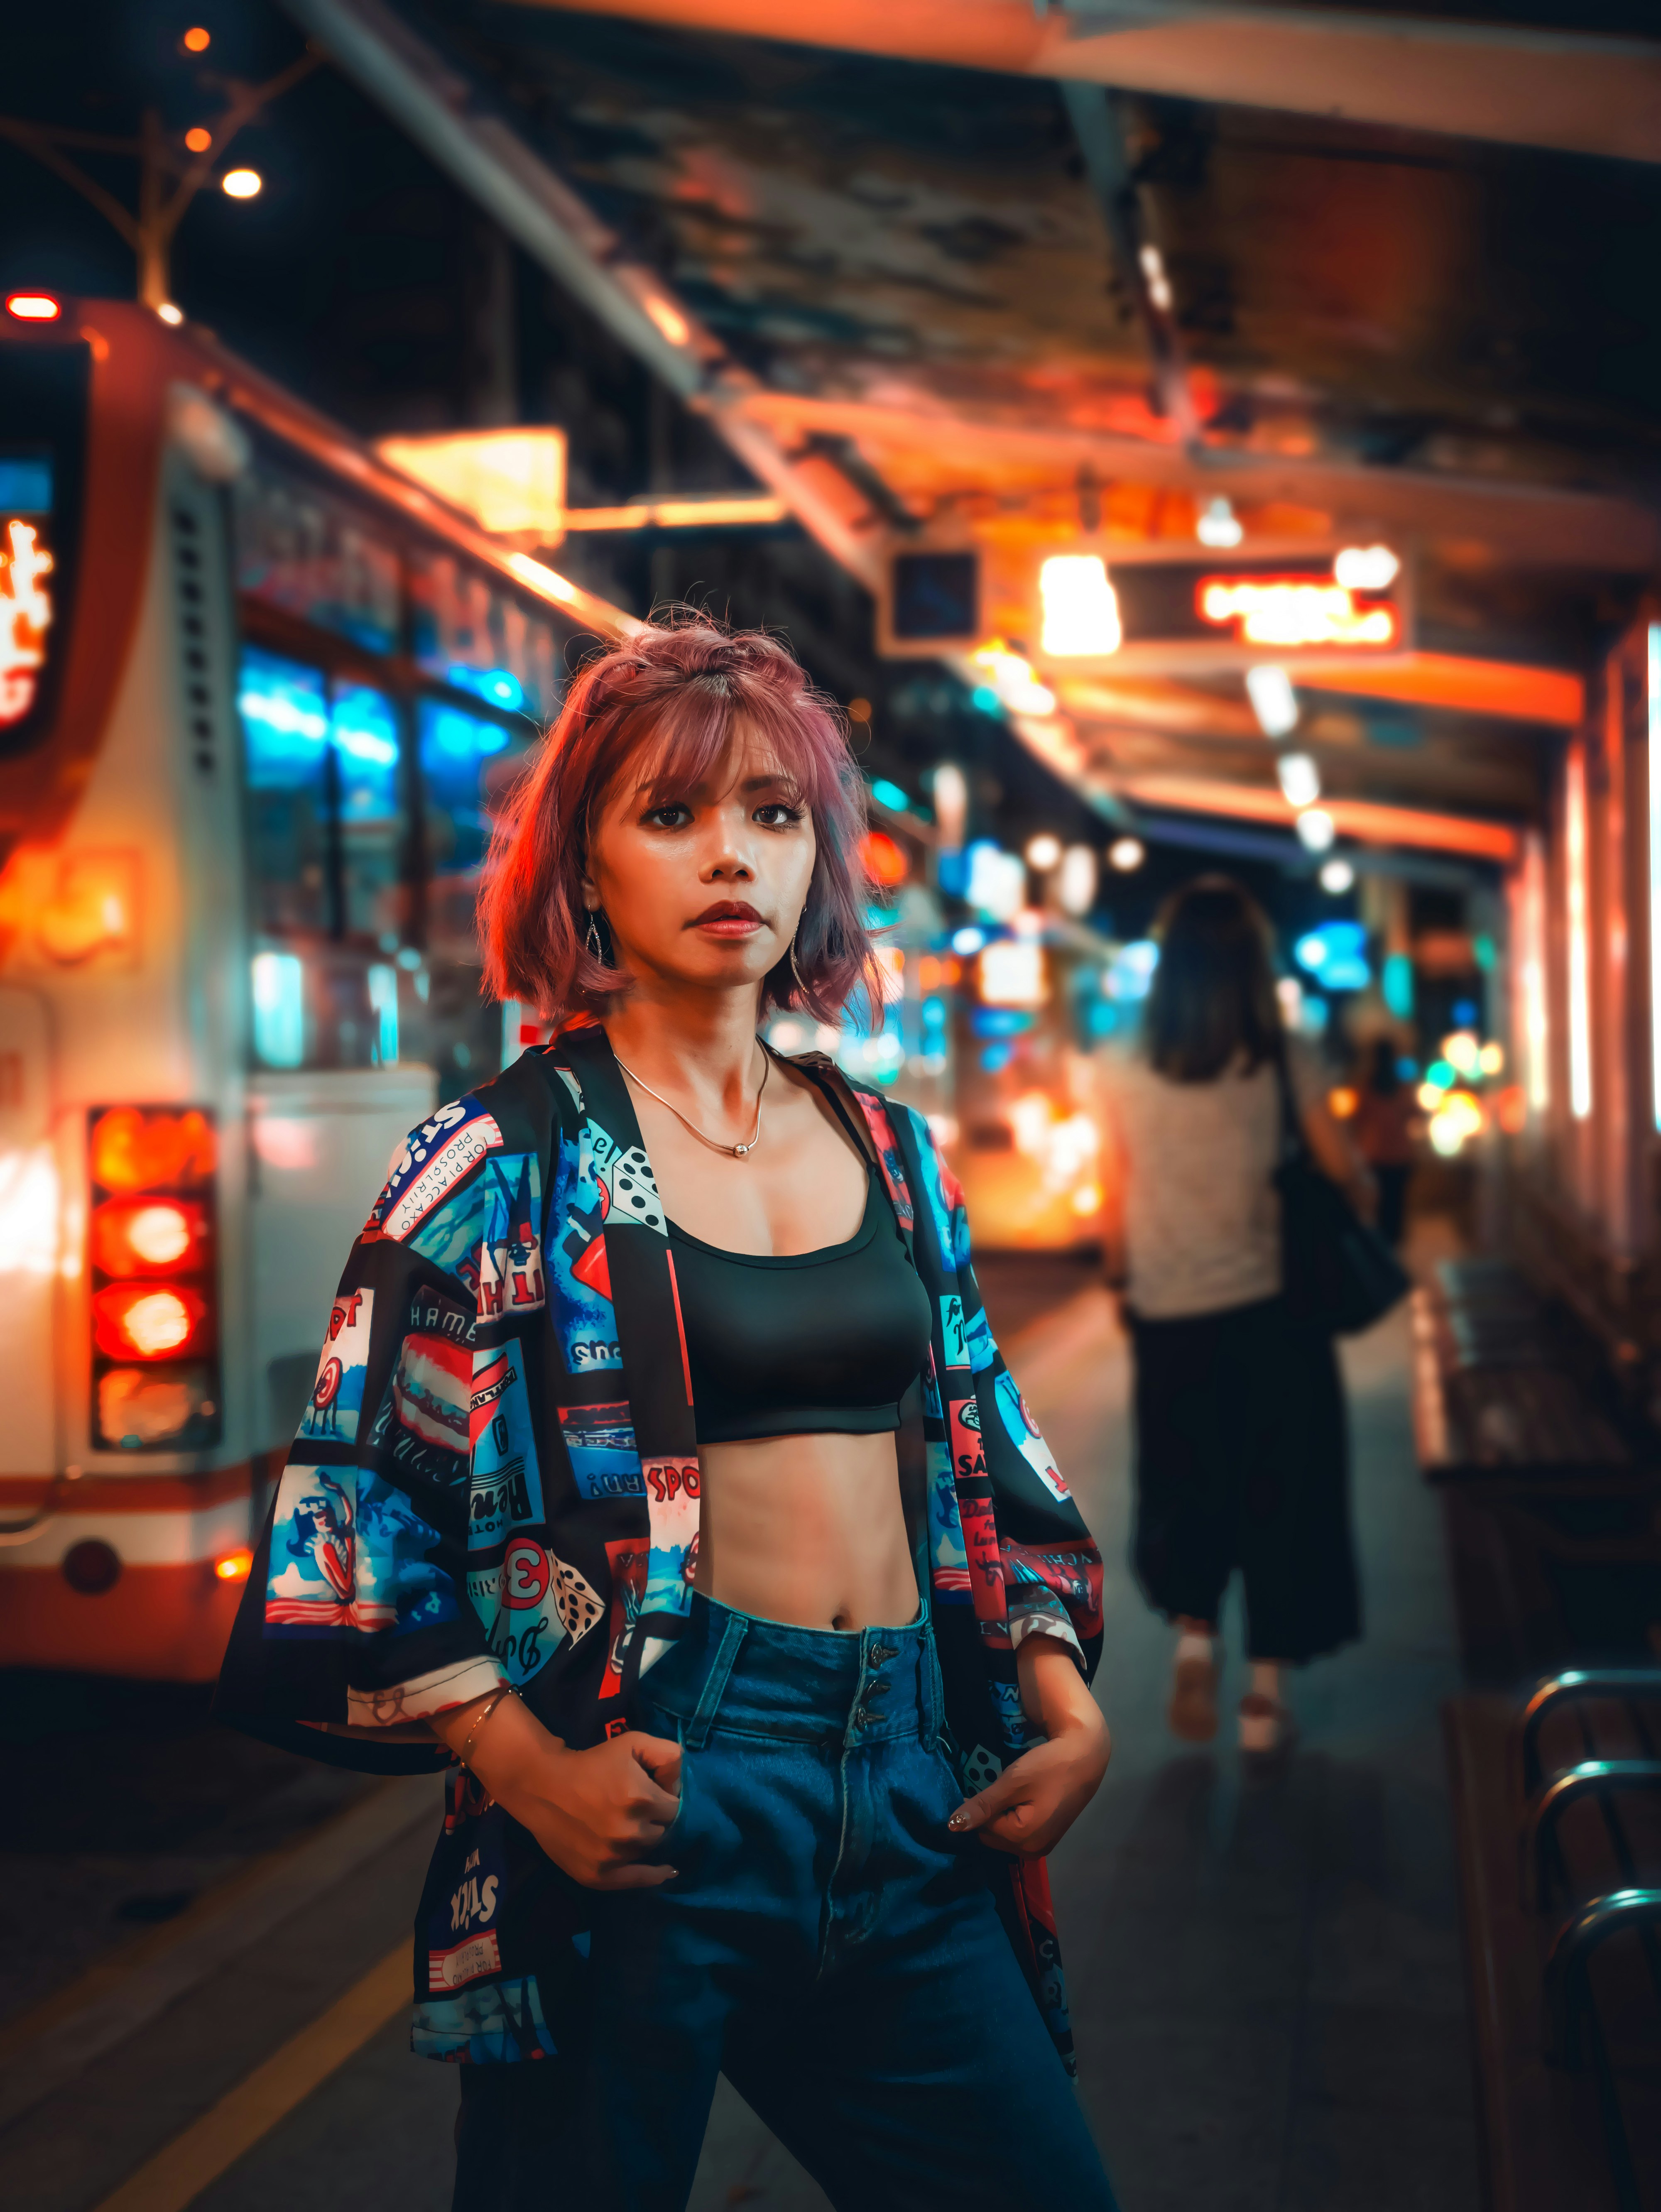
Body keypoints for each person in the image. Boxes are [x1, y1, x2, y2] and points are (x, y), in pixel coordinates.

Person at [216, 619, 1118, 2212]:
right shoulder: (501, 1158)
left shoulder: (894, 1152)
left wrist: (1060, 1694)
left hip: (909, 1779)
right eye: (672, 812)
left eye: (774, 812)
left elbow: (985, 1432)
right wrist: (527, 1767)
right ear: (586, 867)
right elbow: (352, 1502)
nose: (732, 855)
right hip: (649, 1786)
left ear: (819, 857)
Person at [1096, 876, 1369, 1757]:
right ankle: (1262, 1702)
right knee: (1282, 1495)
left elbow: (1114, 1193)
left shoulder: (1121, 1060)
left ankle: (1193, 1640)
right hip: (1274, 1317)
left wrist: (1124, 1281)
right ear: (1253, 964)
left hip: (1169, 1313)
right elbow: (1342, 1171)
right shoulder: (1283, 1055)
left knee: (1186, 1482)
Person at [1351, 1036, 1416, 1247]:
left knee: (1378, 1212)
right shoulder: (1402, 1087)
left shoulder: (1365, 1087)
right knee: (1396, 1209)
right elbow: (1414, 1113)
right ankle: (1394, 1252)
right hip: (1400, 1156)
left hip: (1375, 1156)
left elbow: (1356, 1120)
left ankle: (1382, 1253)